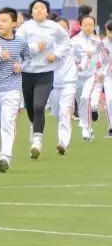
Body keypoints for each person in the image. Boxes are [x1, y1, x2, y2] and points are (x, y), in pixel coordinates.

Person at [16, 0, 70, 159]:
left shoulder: (55, 27)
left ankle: (37, 142)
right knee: (31, 109)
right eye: (36, 8)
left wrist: (56, 55)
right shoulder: (25, 27)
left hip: (45, 73)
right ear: (31, 12)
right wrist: (35, 49)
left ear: (47, 11)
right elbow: (18, 46)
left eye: (42, 8)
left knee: (39, 106)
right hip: (27, 73)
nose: (39, 10)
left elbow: (66, 43)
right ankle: (35, 126)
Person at [0, 7, 30, 172]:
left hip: (13, 87)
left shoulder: (21, 42)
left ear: (14, 23)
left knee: (8, 121)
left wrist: (21, 66)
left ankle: (5, 156)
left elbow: (28, 59)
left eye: (4, 20)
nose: (0, 23)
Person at [50, 16, 78, 154]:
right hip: (53, 85)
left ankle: (63, 142)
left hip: (69, 83)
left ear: (68, 29)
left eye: (64, 28)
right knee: (56, 112)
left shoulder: (73, 44)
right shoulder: (49, 45)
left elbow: (84, 55)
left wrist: (83, 64)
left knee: (64, 112)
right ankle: (63, 135)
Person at [73, 15, 102, 141]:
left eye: (91, 25)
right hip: (77, 77)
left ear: (94, 26)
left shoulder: (97, 40)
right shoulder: (74, 41)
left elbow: (101, 57)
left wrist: (99, 65)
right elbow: (70, 57)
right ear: (80, 25)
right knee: (81, 103)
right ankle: (89, 129)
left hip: (91, 76)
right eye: (86, 24)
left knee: (85, 98)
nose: (89, 27)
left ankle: (85, 128)